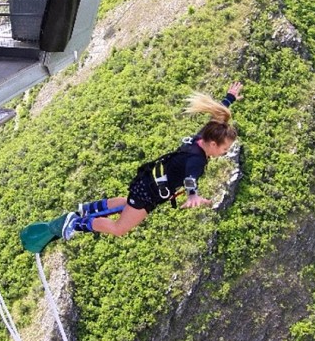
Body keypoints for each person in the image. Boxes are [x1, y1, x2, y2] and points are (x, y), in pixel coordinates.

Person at [62, 81, 243, 240]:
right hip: (149, 192)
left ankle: (88, 209)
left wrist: (229, 99)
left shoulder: (201, 138)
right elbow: (190, 179)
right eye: (224, 149)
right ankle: (76, 223)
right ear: (213, 144)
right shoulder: (198, 160)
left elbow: (216, 120)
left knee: (127, 203)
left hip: (148, 181)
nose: (225, 152)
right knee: (120, 228)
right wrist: (193, 195)